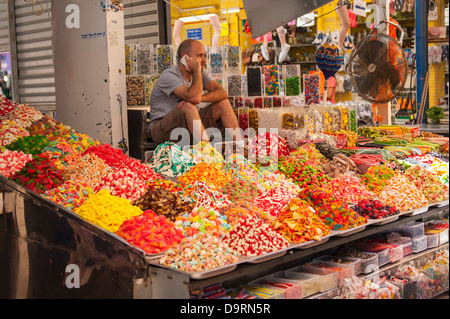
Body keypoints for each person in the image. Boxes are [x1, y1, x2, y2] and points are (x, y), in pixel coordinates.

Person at [148, 39, 242, 146]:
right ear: (184, 57)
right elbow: (194, 98)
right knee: (188, 106)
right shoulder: (169, 75)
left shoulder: (201, 72)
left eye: (204, 55)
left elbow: (222, 93)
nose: (204, 60)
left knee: (223, 103)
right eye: (200, 56)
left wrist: (201, 98)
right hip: (161, 129)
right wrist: (197, 70)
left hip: (188, 125)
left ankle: (240, 149)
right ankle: (208, 154)